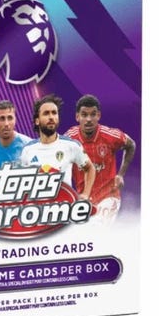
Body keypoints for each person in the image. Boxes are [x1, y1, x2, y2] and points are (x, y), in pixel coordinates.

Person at [65, 94, 136, 224]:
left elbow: (131, 145)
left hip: (109, 197)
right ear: (77, 117)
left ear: (99, 116)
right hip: (85, 200)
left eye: (93, 114)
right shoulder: (69, 140)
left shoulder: (110, 135)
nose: (88, 119)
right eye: (84, 115)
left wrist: (120, 175)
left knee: (99, 227)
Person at [20, 94, 95, 198]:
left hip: (64, 205)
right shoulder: (27, 150)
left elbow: (90, 168)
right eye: (46, 113)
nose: (51, 117)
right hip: (38, 206)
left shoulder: (71, 145)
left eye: (54, 113)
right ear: (37, 121)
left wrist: (85, 194)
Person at [0, 100, 32, 169]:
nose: (6, 124)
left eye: (10, 118)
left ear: (15, 120)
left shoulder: (29, 146)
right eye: (2, 119)